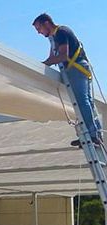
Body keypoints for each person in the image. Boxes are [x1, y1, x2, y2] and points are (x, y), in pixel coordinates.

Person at [33, 13, 102, 147]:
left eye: (39, 28)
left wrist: (43, 64)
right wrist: (44, 64)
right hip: (78, 68)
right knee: (86, 102)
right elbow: (52, 57)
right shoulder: (53, 38)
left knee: (83, 102)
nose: (38, 32)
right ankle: (92, 135)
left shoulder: (61, 32)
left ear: (47, 23)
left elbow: (63, 56)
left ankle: (93, 135)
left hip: (77, 68)